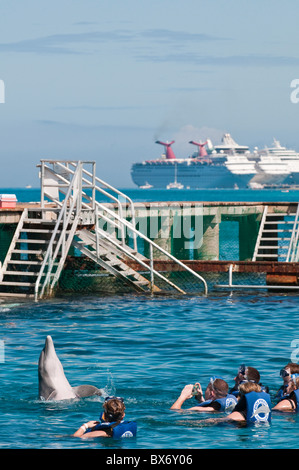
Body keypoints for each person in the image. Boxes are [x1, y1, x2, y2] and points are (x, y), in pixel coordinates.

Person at [170, 377, 237, 413]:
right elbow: (214, 405)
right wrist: (201, 399)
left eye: (207, 388)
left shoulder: (206, 409)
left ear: (212, 393)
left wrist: (183, 396)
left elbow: (175, 411)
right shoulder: (233, 399)